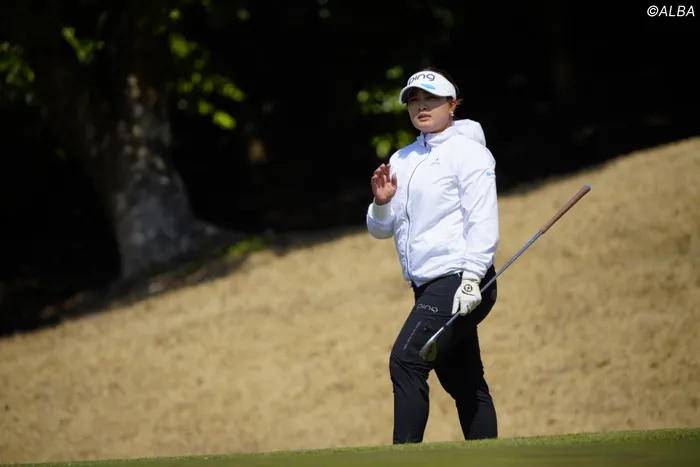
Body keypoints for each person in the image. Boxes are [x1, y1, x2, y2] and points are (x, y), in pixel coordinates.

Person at [365, 67, 500, 444]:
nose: (421, 107)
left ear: (452, 104)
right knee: (464, 382)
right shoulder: (402, 159)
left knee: (406, 360)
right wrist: (381, 204)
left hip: (461, 280)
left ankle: (404, 459)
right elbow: (381, 230)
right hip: (426, 286)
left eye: (431, 99)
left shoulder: (469, 153)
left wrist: (472, 278)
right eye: (414, 100)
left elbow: (482, 218)